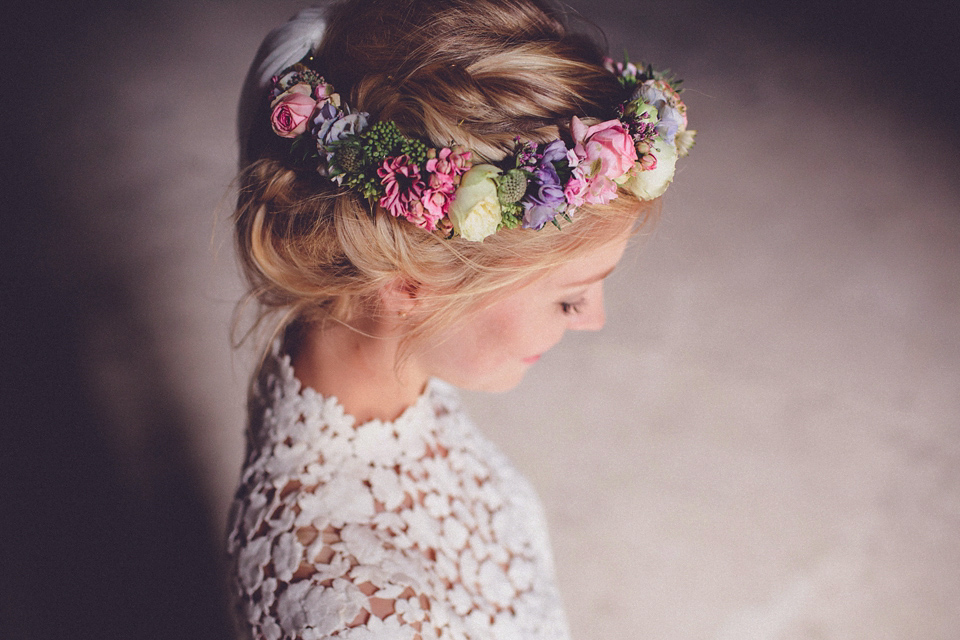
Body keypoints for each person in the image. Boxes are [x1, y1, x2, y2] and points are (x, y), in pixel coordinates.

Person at [226, 0, 694, 638]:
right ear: (412, 282)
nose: (594, 321)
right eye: (568, 298)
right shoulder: (353, 615)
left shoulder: (364, 365)